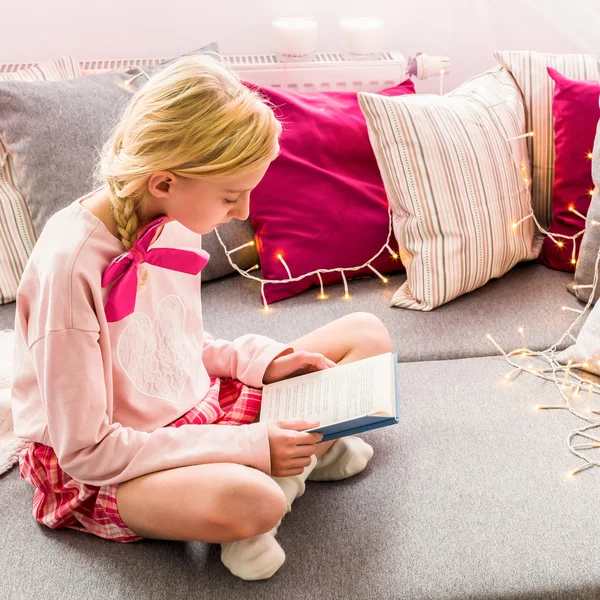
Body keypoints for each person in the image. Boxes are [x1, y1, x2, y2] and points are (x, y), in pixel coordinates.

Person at [11, 53, 392, 581]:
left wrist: (263, 361)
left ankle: (290, 466)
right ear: (165, 181)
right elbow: (88, 452)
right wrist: (252, 446)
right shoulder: (70, 267)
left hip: (194, 407)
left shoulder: (169, 216)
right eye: (232, 196)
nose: (241, 213)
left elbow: (173, 341)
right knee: (251, 500)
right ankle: (289, 473)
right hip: (111, 460)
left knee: (366, 333)